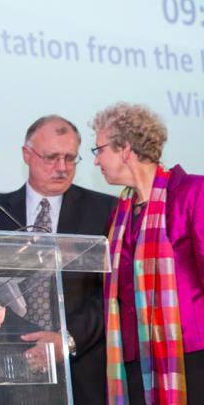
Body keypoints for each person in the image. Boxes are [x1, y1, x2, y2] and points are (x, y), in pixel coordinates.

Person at [0, 115, 115, 405]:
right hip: (7, 365)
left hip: (81, 367)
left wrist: (66, 340)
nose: (61, 168)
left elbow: (110, 294)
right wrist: (25, 340)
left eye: (70, 158)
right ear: (27, 154)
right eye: (51, 157)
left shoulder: (106, 211)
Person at [91, 102, 204, 405]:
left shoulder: (193, 193)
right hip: (134, 361)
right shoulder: (120, 213)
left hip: (192, 358)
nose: (96, 160)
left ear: (125, 150)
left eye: (99, 150)